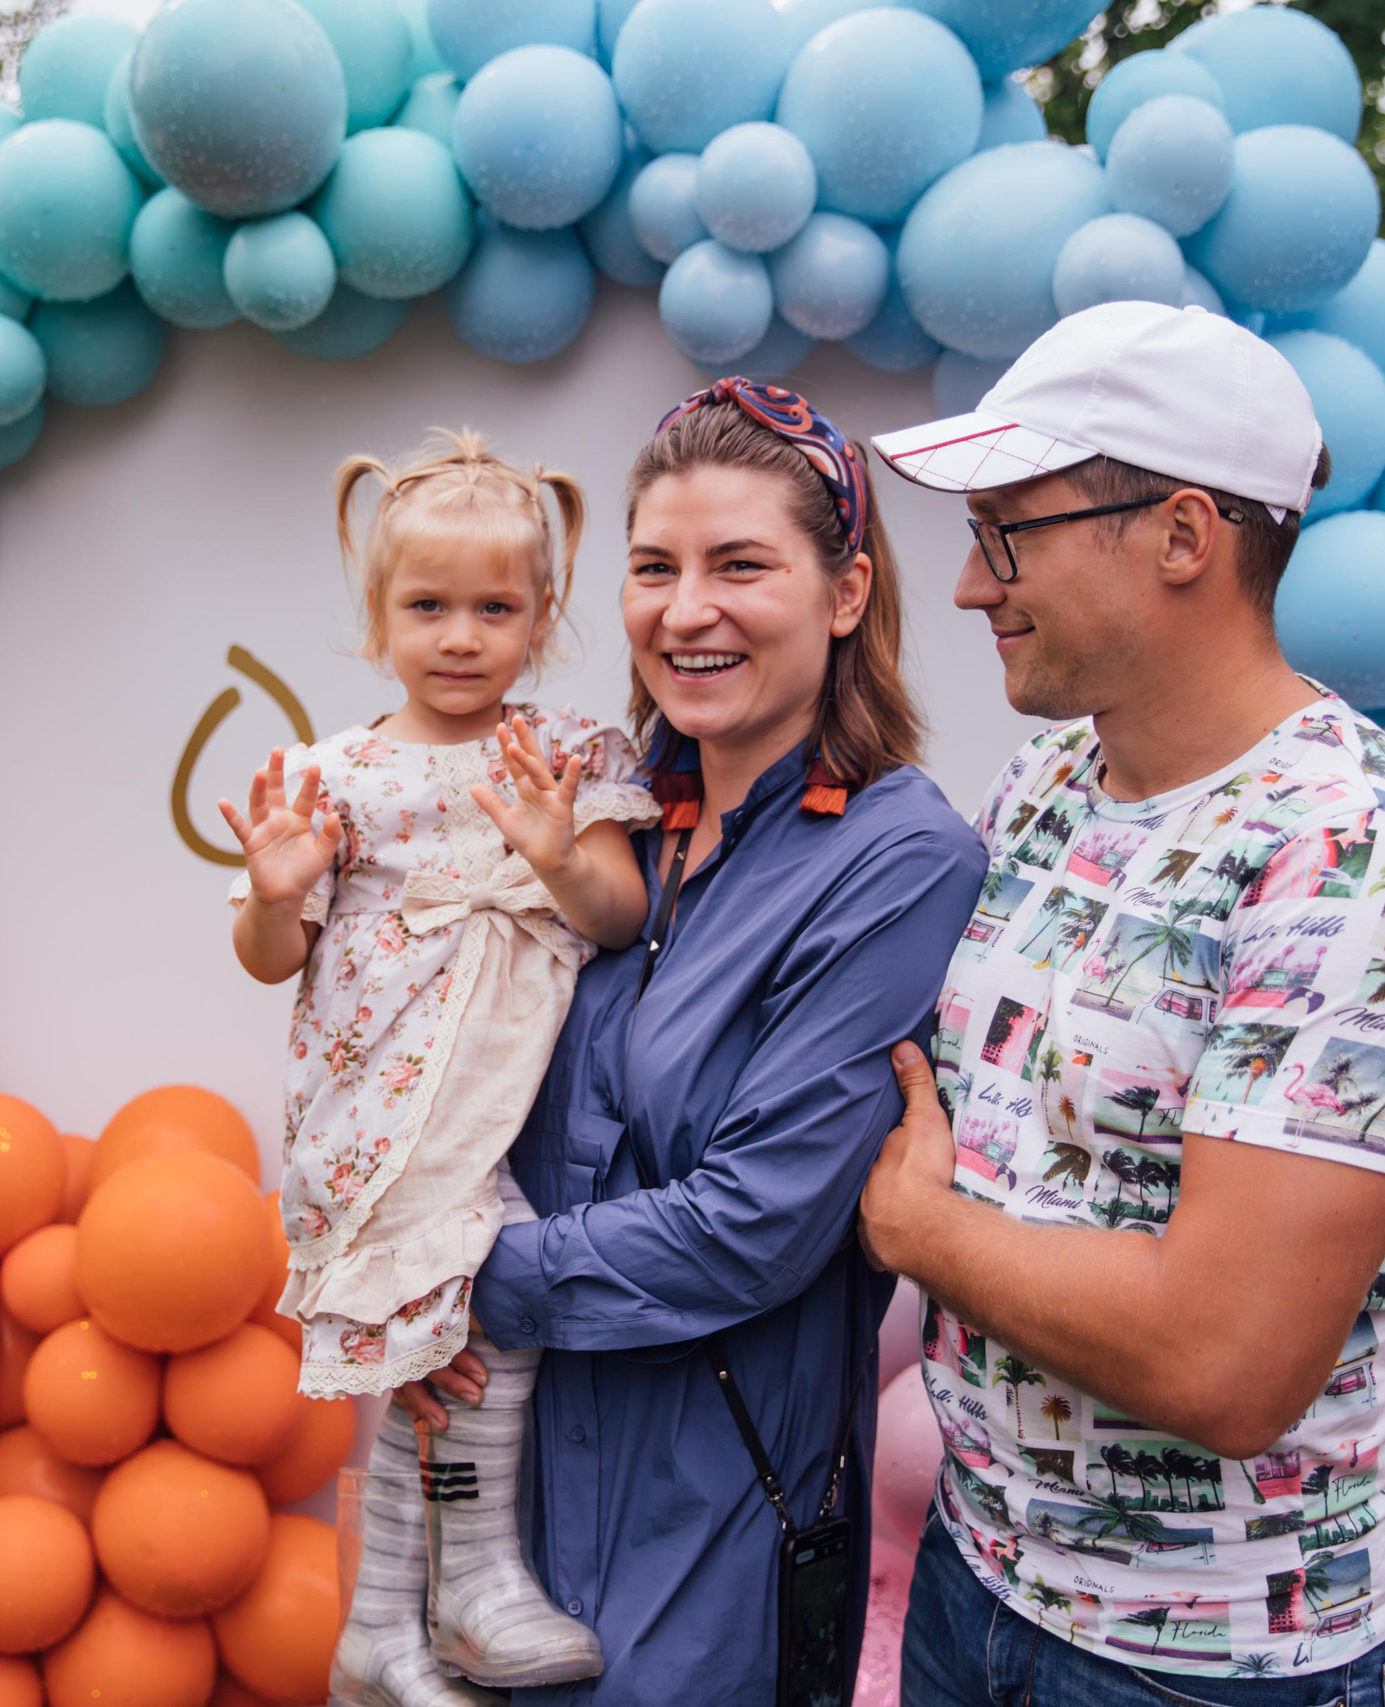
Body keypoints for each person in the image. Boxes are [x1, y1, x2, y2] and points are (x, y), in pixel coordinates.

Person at [858, 301, 1385, 1701]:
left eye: (1006, 534)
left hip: (1215, 1661)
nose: (973, 588)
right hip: (983, 1582)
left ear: (1181, 534)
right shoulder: (1050, 785)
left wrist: (922, 1228)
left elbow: (1226, 1362)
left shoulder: (1358, 861)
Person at [395, 380, 986, 1705]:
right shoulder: (600, 834)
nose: (684, 608)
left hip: (711, 1536)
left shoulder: (895, 857)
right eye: (653, 566)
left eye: (739, 565)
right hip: (499, 1502)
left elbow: (750, 1226)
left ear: (845, 593)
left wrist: (445, 1276)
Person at [220, 430, 658, 1700]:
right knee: (465, 1328)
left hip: (498, 1101)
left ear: (541, 616)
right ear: (376, 614)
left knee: (468, 1324)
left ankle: (390, 1623)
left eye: (494, 608)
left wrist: (556, 849)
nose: (460, 636)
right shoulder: (335, 775)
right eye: (427, 607)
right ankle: (456, 1591)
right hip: (381, 1108)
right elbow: (269, 957)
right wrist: (271, 896)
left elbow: (620, 913)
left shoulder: (557, 757)